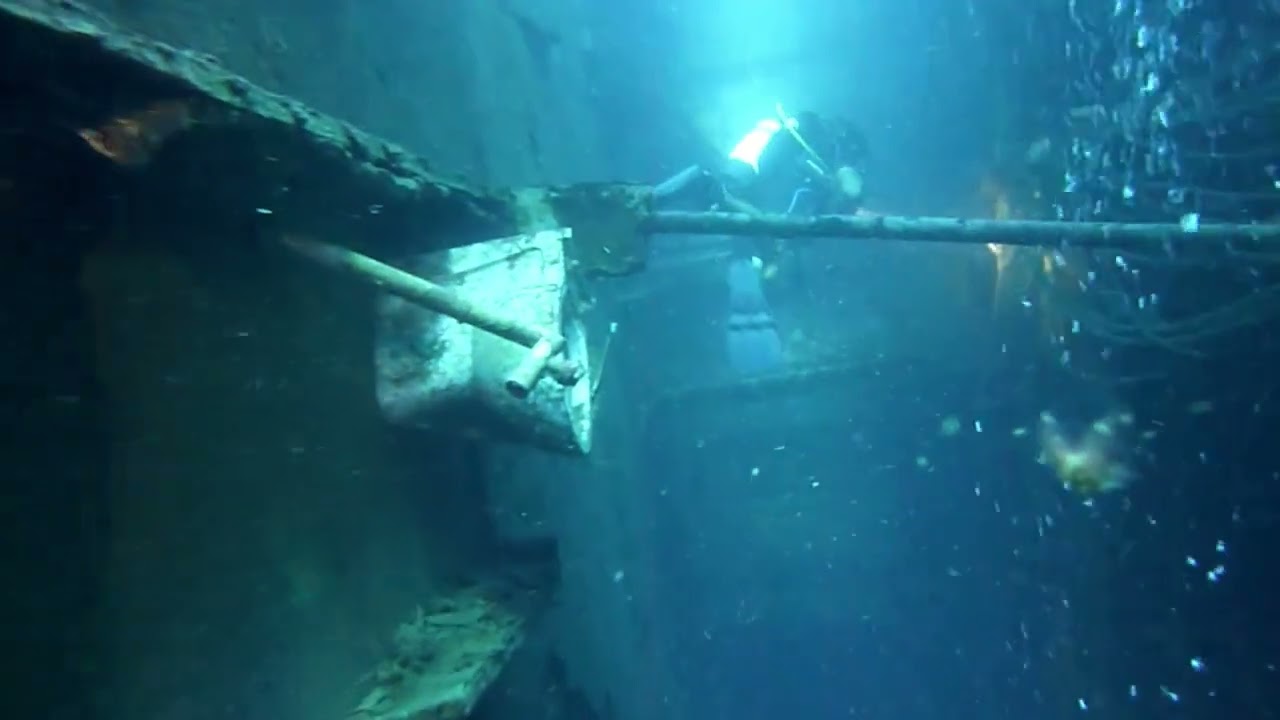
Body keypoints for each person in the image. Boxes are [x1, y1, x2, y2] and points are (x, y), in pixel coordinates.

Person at [653, 107, 870, 375]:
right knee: (724, 198)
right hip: (749, 185)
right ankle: (665, 197)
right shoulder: (834, 150)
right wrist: (851, 197)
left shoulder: (803, 146)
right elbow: (850, 189)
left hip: (752, 185)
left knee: (756, 231)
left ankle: (796, 336)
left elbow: (793, 211)